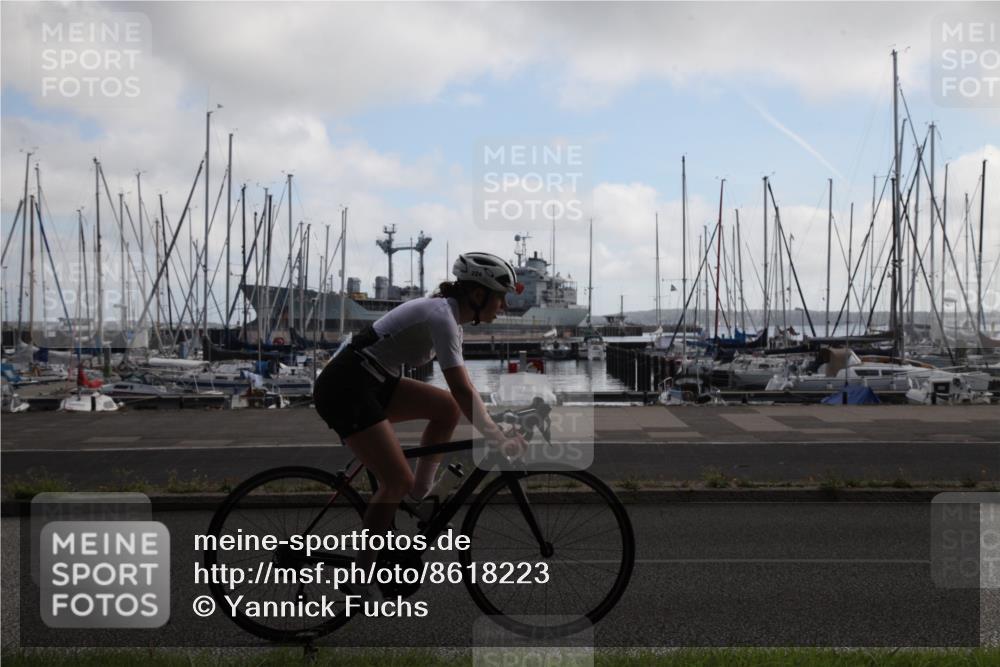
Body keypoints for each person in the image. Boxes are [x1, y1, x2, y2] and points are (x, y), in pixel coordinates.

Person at [313, 252, 528, 594]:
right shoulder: (441, 317)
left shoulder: (449, 318)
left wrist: (494, 423)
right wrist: (497, 436)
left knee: (446, 409)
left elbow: (463, 391)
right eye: (500, 297)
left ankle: (420, 495)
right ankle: (359, 577)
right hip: (346, 387)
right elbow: (461, 388)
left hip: (373, 381)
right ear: (478, 294)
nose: (503, 306)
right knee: (395, 480)